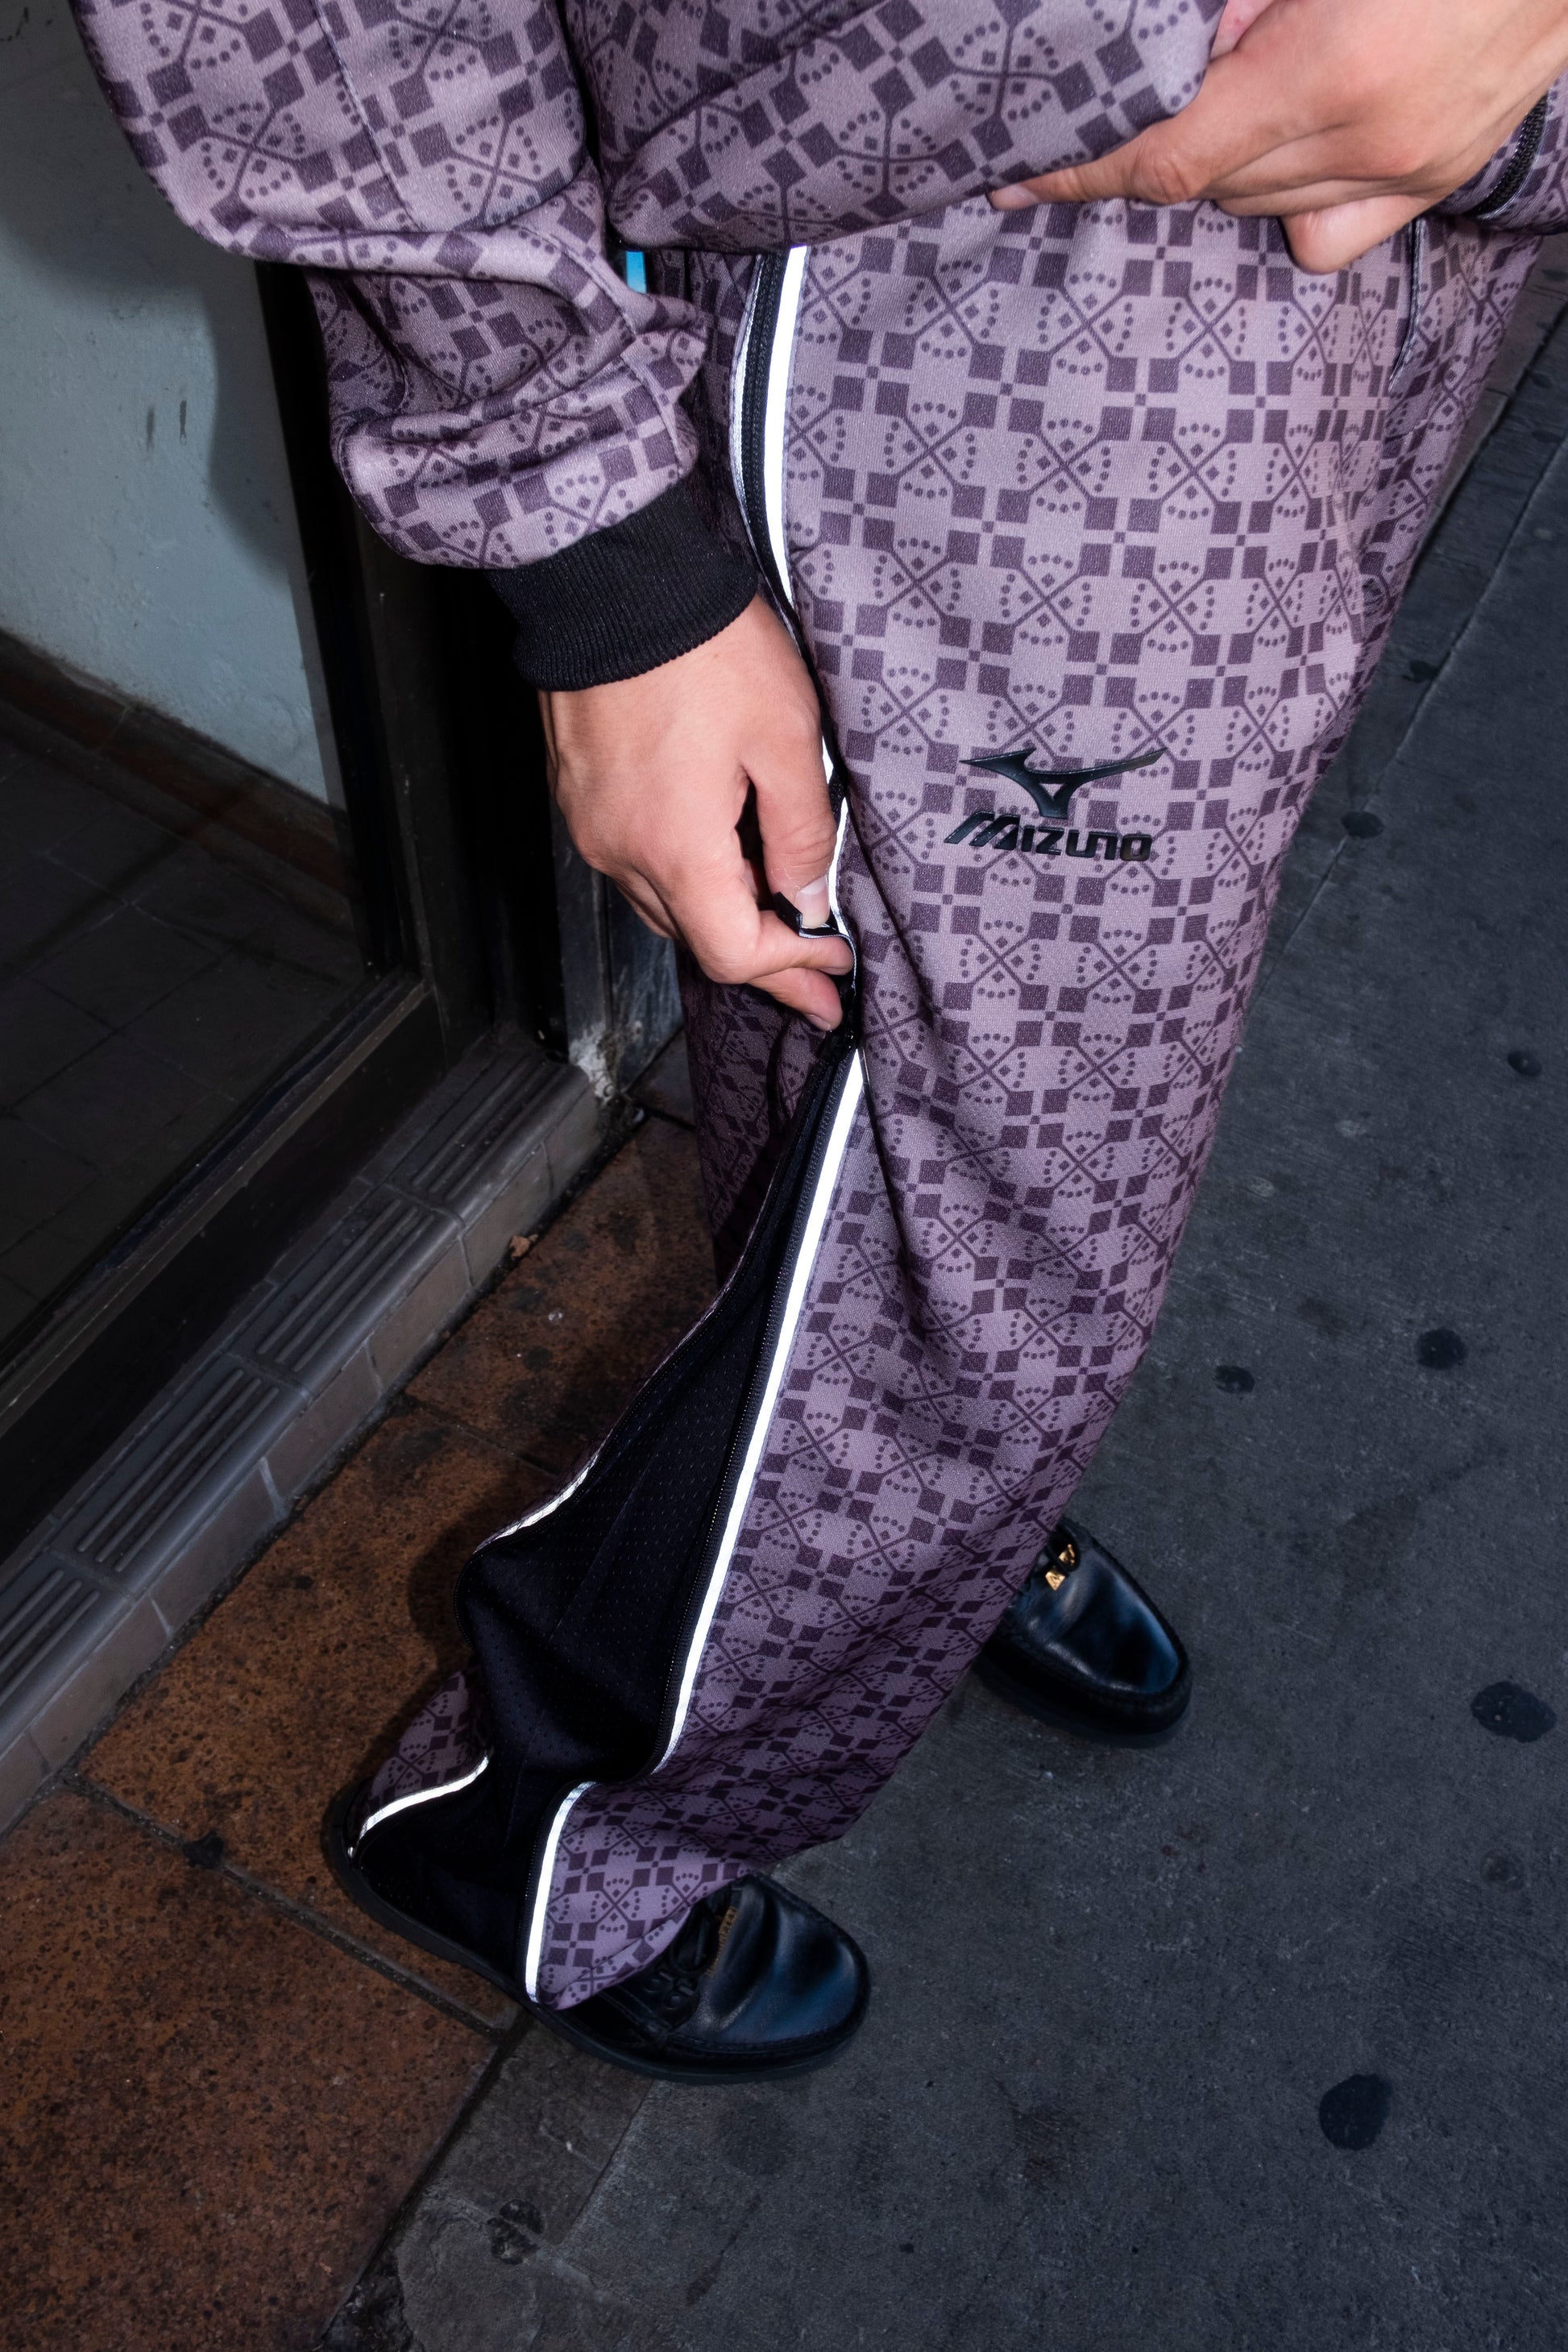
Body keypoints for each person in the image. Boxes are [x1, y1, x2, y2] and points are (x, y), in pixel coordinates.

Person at [72, 0, 1568, 2080]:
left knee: (896, 1144)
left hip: (1409, 231)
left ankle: (910, 1544)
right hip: (987, 274)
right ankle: (545, 1829)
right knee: (999, 1252)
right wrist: (599, 546)